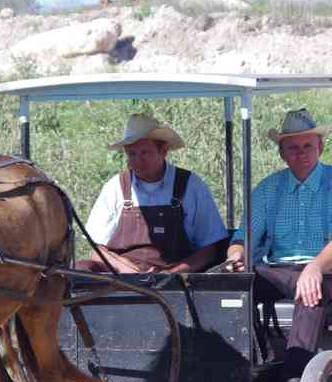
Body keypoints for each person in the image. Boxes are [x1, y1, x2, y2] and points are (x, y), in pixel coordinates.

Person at [225, 108, 332, 382]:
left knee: (310, 288)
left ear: (320, 147)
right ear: (282, 153)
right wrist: (236, 257)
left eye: (307, 146)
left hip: (329, 272)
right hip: (277, 271)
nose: (301, 153)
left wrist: (314, 267)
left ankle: (296, 375)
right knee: (228, 286)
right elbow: (241, 239)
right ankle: (238, 365)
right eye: (293, 148)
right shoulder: (268, 189)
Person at [76, 114, 228, 274]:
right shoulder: (115, 187)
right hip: (122, 280)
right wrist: (126, 269)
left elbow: (209, 251)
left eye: (145, 153)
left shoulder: (191, 185)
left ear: (163, 151)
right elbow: (97, 251)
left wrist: (172, 273)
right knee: (78, 269)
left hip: (176, 282)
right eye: (132, 154)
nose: (137, 161)